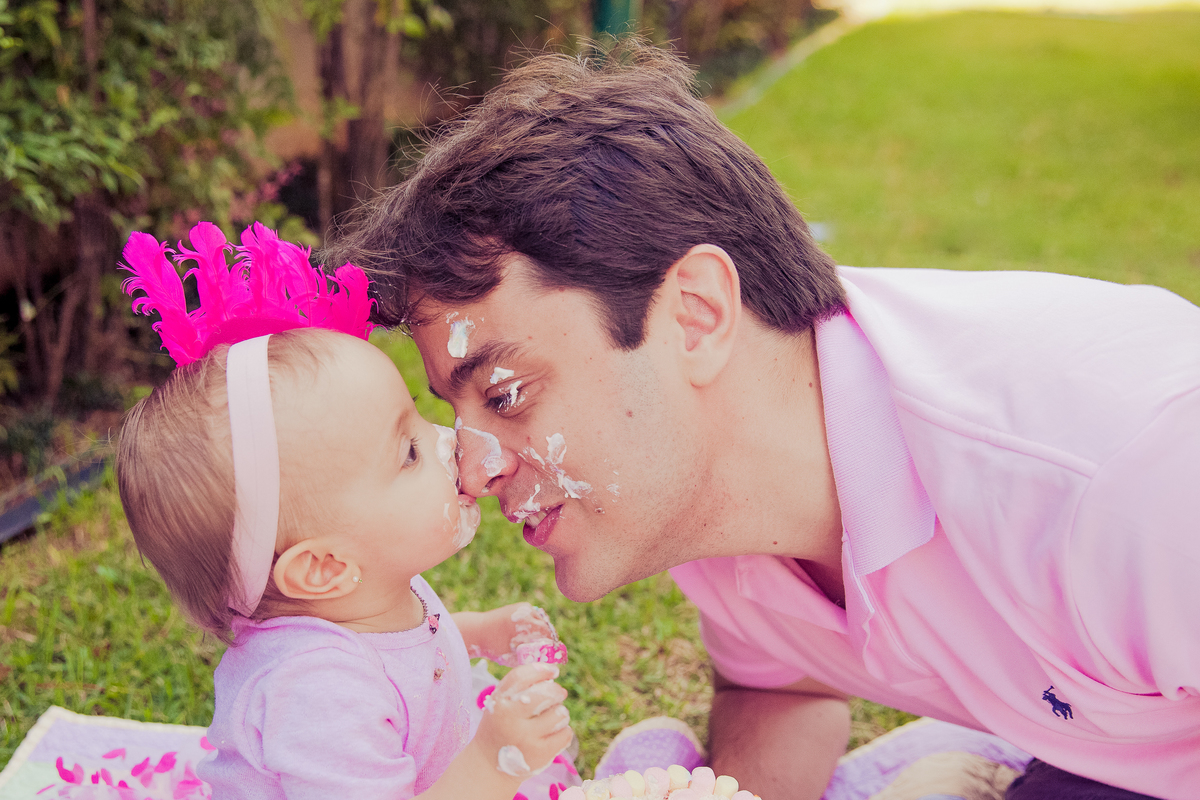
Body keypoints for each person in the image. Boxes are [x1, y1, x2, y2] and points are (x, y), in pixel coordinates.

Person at [326, 37, 1200, 800]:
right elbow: (782, 689)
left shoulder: (1127, 479)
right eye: (455, 411)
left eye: (507, 393)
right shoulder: (714, 500)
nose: (471, 467)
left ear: (696, 315)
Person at [114, 222, 576, 800]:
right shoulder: (315, 695)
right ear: (325, 568)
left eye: (419, 418)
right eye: (409, 452)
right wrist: (492, 760)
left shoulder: (366, 596)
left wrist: (480, 632)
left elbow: (400, 658)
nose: (449, 440)